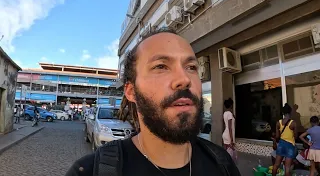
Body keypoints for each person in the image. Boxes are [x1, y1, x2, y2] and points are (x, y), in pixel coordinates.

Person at [66, 28, 240, 176]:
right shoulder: (90, 171)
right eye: (161, 66)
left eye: (191, 67)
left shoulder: (223, 164)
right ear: (131, 91)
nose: (184, 79)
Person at [272, 103, 297, 176]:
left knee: (276, 165)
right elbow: (296, 136)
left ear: (283, 113)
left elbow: (277, 136)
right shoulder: (293, 123)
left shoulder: (278, 122)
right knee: (287, 169)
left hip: (281, 145)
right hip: (290, 146)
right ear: (290, 112)